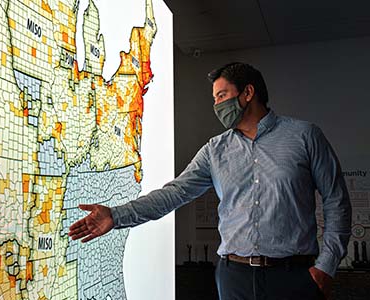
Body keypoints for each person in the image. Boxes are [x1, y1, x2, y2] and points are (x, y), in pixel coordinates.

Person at [68, 62, 351, 300]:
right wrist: (116, 216)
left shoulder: (305, 137)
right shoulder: (215, 151)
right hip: (234, 278)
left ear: (248, 93)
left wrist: (326, 267)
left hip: (294, 277)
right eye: (215, 98)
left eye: (222, 95)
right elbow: (174, 193)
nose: (216, 104)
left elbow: (337, 201)